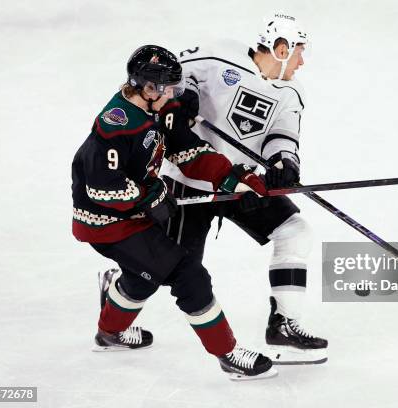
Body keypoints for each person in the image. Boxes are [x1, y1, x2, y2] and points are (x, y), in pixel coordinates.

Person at [71, 44, 277, 380]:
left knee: (141, 277)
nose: (174, 94)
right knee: (188, 275)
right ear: (148, 88)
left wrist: (231, 178)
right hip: (107, 224)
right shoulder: (114, 127)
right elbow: (101, 188)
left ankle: (109, 333)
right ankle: (227, 354)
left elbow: (187, 151)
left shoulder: (158, 108)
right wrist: (150, 197)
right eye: (168, 88)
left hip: (133, 215)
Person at [160, 13, 328, 365]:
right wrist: (185, 92)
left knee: (294, 232)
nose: (302, 60)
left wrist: (285, 163)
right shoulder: (219, 55)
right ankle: (120, 285)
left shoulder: (292, 91)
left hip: (241, 183)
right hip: (192, 180)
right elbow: (172, 71)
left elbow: (282, 136)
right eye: (298, 51)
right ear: (280, 49)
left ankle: (283, 322)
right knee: (171, 269)